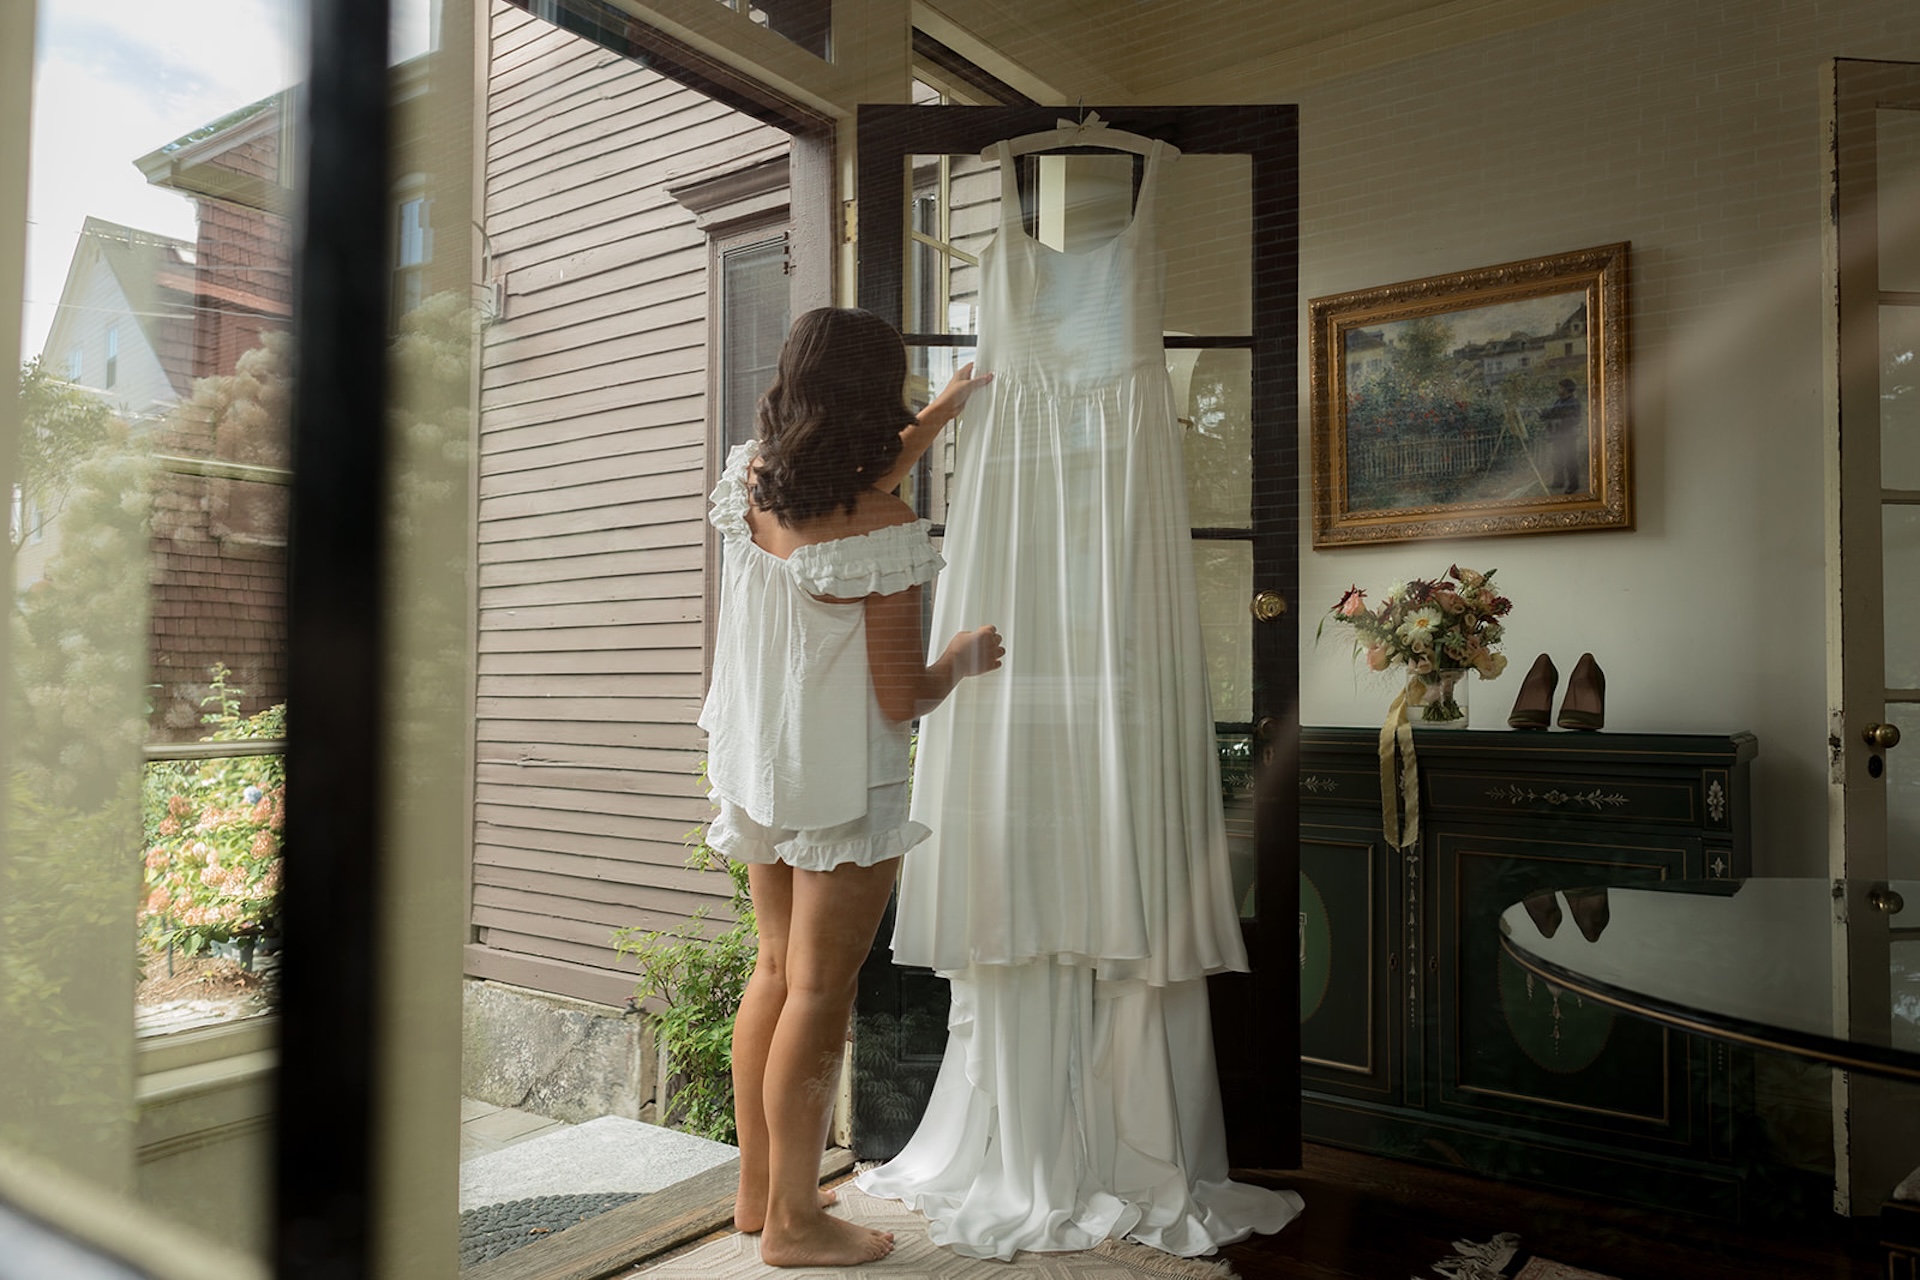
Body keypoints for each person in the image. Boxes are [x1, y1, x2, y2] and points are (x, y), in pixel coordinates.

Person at [696, 306, 1001, 1267]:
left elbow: (844, 505)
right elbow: (903, 692)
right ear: (875, 397)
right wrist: (962, 658)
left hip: (757, 766)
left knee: (778, 974)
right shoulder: (887, 528)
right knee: (821, 994)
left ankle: (758, 1195)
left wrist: (947, 411)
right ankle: (795, 1223)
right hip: (840, 782)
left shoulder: (753, 478)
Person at [1537, 377, 1585, 493]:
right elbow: (1551, 413)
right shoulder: (1558, 401)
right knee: (1556, 459)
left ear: (1566, 389)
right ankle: (1558, 482)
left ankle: (1573, 485)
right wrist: (1543, 414)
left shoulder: (1573, 403)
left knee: (1570, 460)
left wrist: (1559, 421)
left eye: (1561, 388)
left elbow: (1574, 419)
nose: (1558, 390)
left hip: (1568, 436)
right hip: (1557, 436)